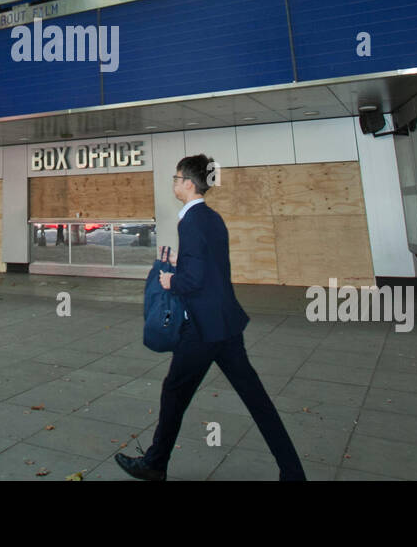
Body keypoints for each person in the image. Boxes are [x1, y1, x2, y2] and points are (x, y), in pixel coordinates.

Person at [115, 154, 306, 482]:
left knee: (174, 391)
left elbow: (195, 279)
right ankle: (293, 473)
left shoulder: (189, 221)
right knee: (257, 400)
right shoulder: (212, 218)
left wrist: (170, 279)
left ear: (189, 183)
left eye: (176, 178)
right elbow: (211, 266)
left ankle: (155, 464)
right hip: (227, 326)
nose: (174, 184)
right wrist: (181, 261)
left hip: (202, 330)